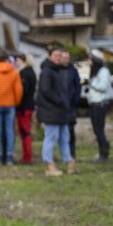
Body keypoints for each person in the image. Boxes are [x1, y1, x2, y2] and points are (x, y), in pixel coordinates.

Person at [35, 47, 73, 176]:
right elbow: (46, 91)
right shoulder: (47, 72)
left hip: (60, 112)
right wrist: (60, 101)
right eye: (56, 55)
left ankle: (69, 162)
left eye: (60, 56)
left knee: (64, 138)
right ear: (50, 56)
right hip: (51, 111)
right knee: (51, 138)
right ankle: (49, 165)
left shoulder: (57, 71)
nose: (58, 58)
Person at [0, 49, 24, 165]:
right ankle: (9, 157)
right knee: (9, 131)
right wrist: (15, 102)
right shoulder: (14, 72)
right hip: (10, 104)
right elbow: (18, 91)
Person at [87, 49, 112, 163]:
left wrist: (92, 83)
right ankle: (103, 150)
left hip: (100, 105)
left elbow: (103, 86)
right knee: (96, 130)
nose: (88, 61)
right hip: (94, 104)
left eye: (90, 59)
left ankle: (104, 153)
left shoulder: (104, 71)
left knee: (99, 129)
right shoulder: (95, 72)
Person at [15, 52, 36, 164]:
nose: (17, 63)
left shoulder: (24, 73)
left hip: (23, 107)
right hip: (28, 105)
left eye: (18, 60)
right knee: (25, 131)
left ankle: (27, 157)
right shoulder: (31, 72)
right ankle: (26, 155)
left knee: (25, 132)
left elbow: (23, 91)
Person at [59, 50, 81, 159]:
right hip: (59, 105)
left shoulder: (73, 70)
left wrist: (75, 100)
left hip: (70, 105)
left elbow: (78, 86)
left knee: (70, 130)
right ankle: (63, 153)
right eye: (63, 57)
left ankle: (72, 153)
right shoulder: (57, 70)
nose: (65, 59)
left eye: (67, 57)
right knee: (60, 131)